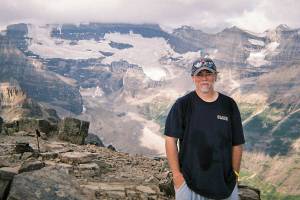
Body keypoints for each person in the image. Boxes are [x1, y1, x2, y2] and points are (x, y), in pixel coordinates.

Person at [164, 57, 245, 200]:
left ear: (215, 76)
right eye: (199, 74)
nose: (204, 78)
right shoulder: (183, 105)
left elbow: (237, 144)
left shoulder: (229, 105)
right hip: (189, 185)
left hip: (224, 186)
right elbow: (170, 140)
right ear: (193, 78)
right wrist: (177, 176)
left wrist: (235, 175)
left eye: (208, 74)